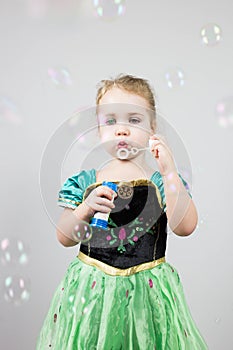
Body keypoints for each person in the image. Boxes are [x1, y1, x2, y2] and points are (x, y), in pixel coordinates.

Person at [37, 74, 208, 349]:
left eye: (134, 119)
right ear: (98, 130)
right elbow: (64, 236)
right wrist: (85, 207)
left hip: (147, 295)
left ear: (153, 128)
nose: (122, 130)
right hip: (92, 293)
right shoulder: (85, 182)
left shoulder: (162, 182)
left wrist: (169, 172)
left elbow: (185, 226)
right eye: (111, 121)